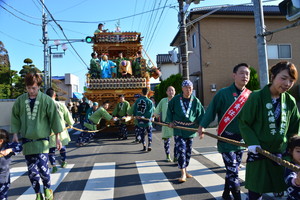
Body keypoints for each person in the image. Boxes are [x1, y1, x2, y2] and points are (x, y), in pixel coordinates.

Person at [238, 61, 300, 200]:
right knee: (256, 190)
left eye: (291, 80)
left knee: (283, 190)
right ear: (273, 76)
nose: (287, 83)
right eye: (283, 78)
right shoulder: (256, 97)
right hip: (259, 152)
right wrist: (252, 142)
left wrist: (293, 150)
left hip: (280, 156)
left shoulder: (290, 100)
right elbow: (244, 122)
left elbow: (294, 130)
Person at [199, 63, 251, 200]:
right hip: (226, 140)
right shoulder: (223, 93)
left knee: (233, 169)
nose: (245, 76)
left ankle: (226, 193)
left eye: (247, 73)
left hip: (242, 140)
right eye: (242, 73)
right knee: (233, 170)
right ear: (234, 75)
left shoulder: (250, 95)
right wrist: (203, 125)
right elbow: (211, 111)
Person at [10, 73, 64, 200]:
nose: (31, 91)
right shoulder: (20, 100)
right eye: (28, 88)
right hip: (27, 143)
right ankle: (37, 194)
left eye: (33, 88)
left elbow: (54, 119)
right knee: (32, 172)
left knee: (43, 169)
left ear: (39, 86)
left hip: (42, 142)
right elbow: (15, 117)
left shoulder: (46, 100)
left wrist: (57, 138)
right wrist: (15, 134)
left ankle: (47, 189)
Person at [166, 80, 205, 183]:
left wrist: (202, 127)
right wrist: (170, 121)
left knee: (188, 151)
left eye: (190, 88)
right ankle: (182, 172)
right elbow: (169, 109)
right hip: (179, 128)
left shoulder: (195, 101)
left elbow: (201, 114)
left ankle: (185, 169)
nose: (188, 90)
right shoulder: (176, 99)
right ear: (182, 89)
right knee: (181, 150)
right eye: (186, 88)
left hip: (190, 130)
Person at [46, 88, 74, 173]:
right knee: (62, 147)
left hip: (48, 130)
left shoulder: (44, 105)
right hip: (61, 129)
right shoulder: (60, 105)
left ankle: (53, 165)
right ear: (54, 95)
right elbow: (67, 115)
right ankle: (63, 161)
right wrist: (71, 123)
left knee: (51, 150)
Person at [154, 86, 176, 162]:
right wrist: (156, 115)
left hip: (176, 124)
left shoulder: (178, 100)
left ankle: (176, 156)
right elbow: (157, 110)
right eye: (169, 90)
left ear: (175, 92)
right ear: (166, 92)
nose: (171, 92)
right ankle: (167, 155)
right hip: (166, 124)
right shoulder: (163, 101)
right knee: (166, 141)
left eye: (172, 90)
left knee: (178, 141)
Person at [0, 129, 22, 200]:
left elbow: (19, 147)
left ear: (1, 141)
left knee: (2, 195)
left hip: (3, 177)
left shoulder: (7, 146)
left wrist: (10, 150)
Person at [285, 135, 300, 200]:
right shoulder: (290, 166)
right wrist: (297, 180)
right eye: (298, 151)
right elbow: (290, 179)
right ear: (291, 151)